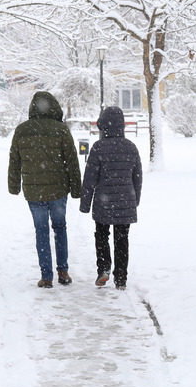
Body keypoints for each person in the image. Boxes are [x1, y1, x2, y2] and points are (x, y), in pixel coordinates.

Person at [8, 91, 82, 288]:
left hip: (34, 192)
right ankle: (63, 271)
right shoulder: (61, 130)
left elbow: (15, 160)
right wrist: (76, 188)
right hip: (59, 190)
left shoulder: (22, 130)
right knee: (60, 228)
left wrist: (13, 186)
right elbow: (72, 161)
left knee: (41, 231)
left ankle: (46, 276)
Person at [79, 106, 142, 291]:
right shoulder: (131, 147)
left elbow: (90, 178)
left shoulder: (99, 148)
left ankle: (104, 269)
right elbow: (137, 177)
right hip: (125, 202)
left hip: (103, 203)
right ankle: (121, 277)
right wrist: (134, 201)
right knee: (122, 239)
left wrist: (85, 203)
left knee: (102, 236)